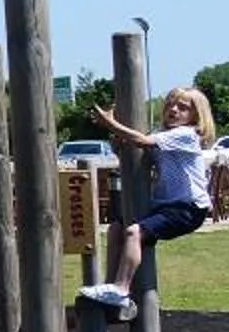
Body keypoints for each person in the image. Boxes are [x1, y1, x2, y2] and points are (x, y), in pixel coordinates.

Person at [83, 85, 217, 305]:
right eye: (170, 105)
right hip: (166, 204)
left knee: (134, 232)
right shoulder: (166, 137)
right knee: (117, 228)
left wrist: (111, 123)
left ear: (196, 116)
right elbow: (142, 157)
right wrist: (119, 145)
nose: (173, 110)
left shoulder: (186, 135)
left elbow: (141, 141)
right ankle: (109, 286)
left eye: (183, 107)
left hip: (188, 207)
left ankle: (121, 288)